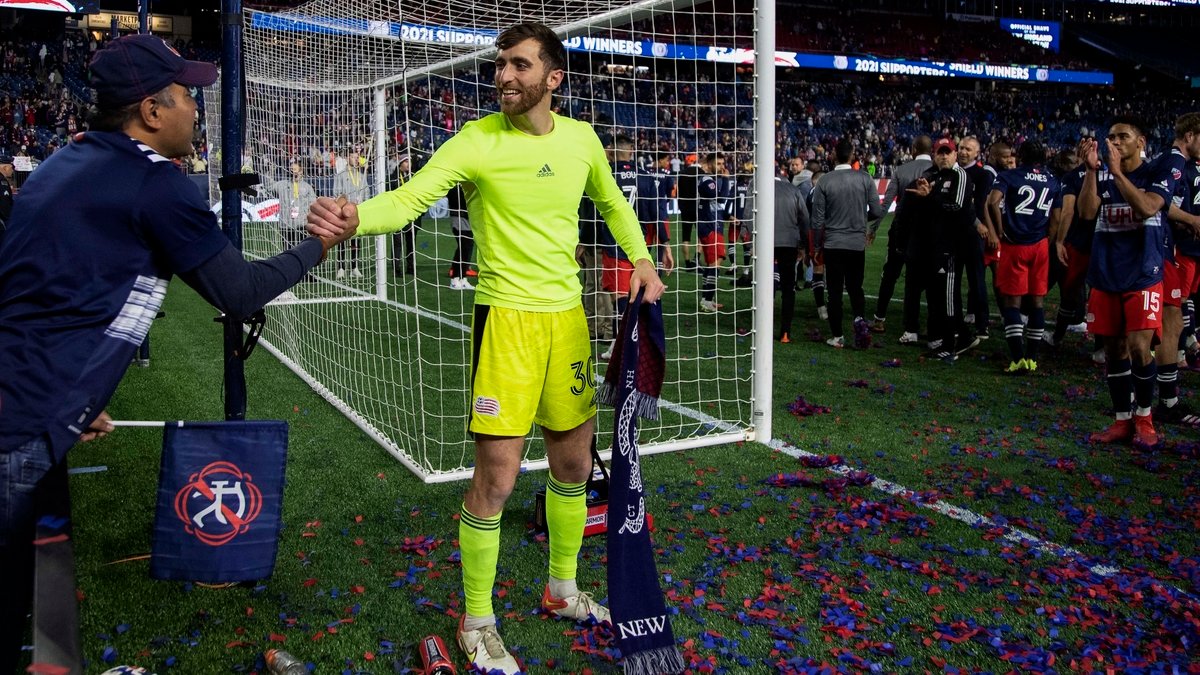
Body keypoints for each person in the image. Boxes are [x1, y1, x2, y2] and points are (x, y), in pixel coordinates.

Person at [306, 22, 664, 675]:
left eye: (518, 65)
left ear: (552, 78)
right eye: (500, 64)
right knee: (496, 480)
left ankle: (560, 589)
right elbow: (411, 200)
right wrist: (359, 217)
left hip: (569, 322)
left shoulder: (582, 139)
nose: (503, 75)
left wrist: (640, 256)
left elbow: (611, 203)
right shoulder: (476, 140)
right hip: (506, 326)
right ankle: (476, 620)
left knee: (574, 466)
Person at [0, 34, 356, 674]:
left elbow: (45, 294)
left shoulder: (64, 161)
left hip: (29, 397)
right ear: (152, 111)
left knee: (39, 579)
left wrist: (75, 400)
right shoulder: (153, 183)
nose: (197, 109)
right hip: (22, 417)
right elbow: (240, 292)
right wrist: (318, 247)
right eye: (187, 96)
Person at [1079, 117, 1176, 447]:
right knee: (1114, 349)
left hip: (1143, 273)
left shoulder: (1157, 172)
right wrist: (1092, 171)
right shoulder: (1102, 175)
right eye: (1111, 137)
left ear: (1141, 141)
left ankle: (1145, 418)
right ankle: (1122, 421)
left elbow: (1149, 207)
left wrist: (1117, 173)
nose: (1116, 142)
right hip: (1106, 273)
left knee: (1138, 347)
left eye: (1123, 136)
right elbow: (1087, 212)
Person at [905, 137, 981, 363]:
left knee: (948, 298)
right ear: (934, 156)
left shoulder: (960, 176)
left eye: (948, 152)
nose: (944, 156)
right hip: (934, 247)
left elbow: (956, 206)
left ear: (955, 155)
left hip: (951, 247)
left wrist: (931, 198)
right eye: (940, 153)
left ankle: (952, 344)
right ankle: (956, 338)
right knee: (939, 297)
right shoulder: (935, 177)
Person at [987, 141, 1062, 373]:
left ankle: (1017, 358)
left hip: (1015, 244)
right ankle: (1032, 359)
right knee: (1037, 301)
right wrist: (1047, 239)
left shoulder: (1010, 176)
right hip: (1039, 244)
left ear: (1019, 156)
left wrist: (999, 230)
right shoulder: (1052, 180)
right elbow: (1057, 218)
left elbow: (992, 201)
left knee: (1012, 302)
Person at [1151, 113, 1200, 427]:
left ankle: (1161, 401)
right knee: (1165, 324)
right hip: (1167, 249)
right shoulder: (1175, 161)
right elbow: (1161, 203)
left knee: (1170, 320)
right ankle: (1160, 403)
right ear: (1191, 135)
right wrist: (1192, 220)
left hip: (1172, 249)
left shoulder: (1178, 162)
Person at [812, 139, 886, 348]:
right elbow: (878, 211)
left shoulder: (825, 181)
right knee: (856, 288)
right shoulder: (864, 178)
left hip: (834, 243)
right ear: (852, 155)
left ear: (834, 156)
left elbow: (817, 220)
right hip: (855, 243)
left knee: (834, 291)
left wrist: (817, 246)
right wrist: (861, 219)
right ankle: (859, 324)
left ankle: (837, 337)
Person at [869, 135, 931, 339]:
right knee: (928, 280)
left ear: (913, 149)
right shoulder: (939, 171)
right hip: (926, 235)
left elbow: (886, 204)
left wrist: (873, 229)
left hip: (900, 232)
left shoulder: (902, 170)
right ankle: (930, 324)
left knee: (890, 275)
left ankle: (879, 319)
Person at [331, 144, 372, 279]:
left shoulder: (362, 175)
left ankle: (354, 267)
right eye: (353, 157)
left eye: (357, 157)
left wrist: (364, 203)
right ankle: (341, 268)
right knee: (342, 240)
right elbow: (337, 192)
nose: (355, 159)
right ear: (348, 158)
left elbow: (367, 192)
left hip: (358, 212)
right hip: (344, 212)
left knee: (356, 240)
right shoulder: (341, 175)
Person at [268, 158, 319, 250]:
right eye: (291, 170)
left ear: (301, 171)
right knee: (287, 252)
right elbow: (269, 187)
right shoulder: (282, 185)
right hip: (286, 225)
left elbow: (313, 205)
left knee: (302, 252)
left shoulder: (307, 187)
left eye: (295, 170)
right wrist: (270, 172)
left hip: (301, 225)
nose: (293, 173)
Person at [0, 154, 13, 239]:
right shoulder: (2, 182)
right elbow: (4, 204)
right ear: (5, 167)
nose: (12, 170)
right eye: (12, 167)